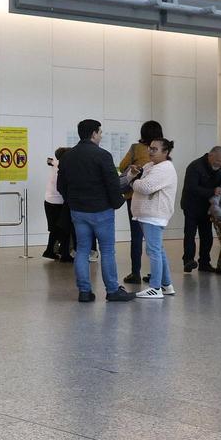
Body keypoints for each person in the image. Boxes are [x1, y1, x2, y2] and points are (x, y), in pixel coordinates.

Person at [57, 119, 134, 303]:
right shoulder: (103, 155)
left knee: (82, 250)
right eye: (100, 133)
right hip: (101, 211)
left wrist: (72, 201)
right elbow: (112, 184)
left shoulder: (68, 156)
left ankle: (84, 291)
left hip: (78, 212)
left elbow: (61, 185)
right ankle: (112, 291)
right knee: (107, 250)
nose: (101, 136)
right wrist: (118, 202)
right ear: (93, 134)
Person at [127, 138, 178, 299]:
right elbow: (140, 183)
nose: (150, 151)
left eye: (155, 149)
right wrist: (133, 176)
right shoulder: (150, 166)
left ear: (166, 152)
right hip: (147, 214)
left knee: (154, 250)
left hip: (154, 215)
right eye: (150, 148)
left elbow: (146, 187)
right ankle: (166, 284)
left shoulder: (165, 168)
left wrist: (133, 181)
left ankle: (155, 287)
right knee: (158, 249)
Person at [119, 121, 164, 283]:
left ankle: (135, 273)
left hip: (134, 196)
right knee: (155, 237)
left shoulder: (136, 148)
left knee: (136, 236)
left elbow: (121, 166)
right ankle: (156, 273)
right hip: (154, 197)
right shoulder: (162, 150)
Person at [179, 146, 221, 273]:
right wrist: (213, 191)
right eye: (218, 161)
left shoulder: (219, 168)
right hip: (191, 206)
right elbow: (192, 188)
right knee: (190, 235)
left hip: (207, 207)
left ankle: (205, 262)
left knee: (207, 236)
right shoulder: (195, 167)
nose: (220, 164)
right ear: (210, 155)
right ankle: (188, 261)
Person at [43, 147, 72, 262]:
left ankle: (50, 251)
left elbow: (50, 161)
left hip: (49, 201)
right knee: (65, 229)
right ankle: (64, 254)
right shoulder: (62, 166)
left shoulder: (56, 164)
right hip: (58, 202)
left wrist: (51, 161)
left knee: (55, 229)